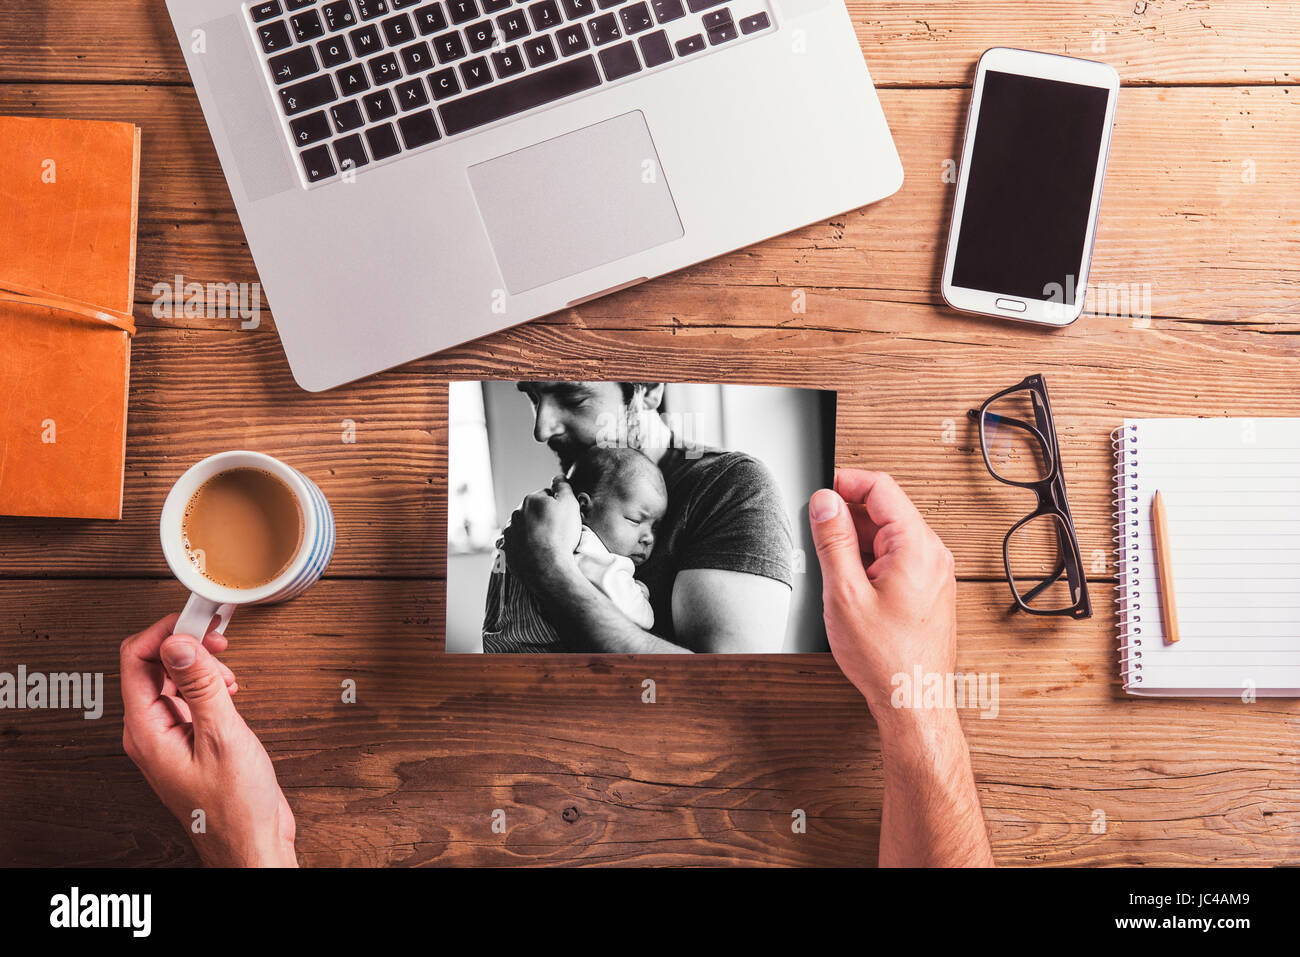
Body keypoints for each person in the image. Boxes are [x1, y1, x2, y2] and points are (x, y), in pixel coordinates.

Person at [121, 469, 991, 867]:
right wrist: (918, 703)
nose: (544, 434)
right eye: (630, 514)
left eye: (568, 399)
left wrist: (249, 847)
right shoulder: (570, 535)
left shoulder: (709, 502)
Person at [503, 381, 794, 653]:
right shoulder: (568, 496)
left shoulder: (730, 487)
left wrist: (551, 569)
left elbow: (732, 688)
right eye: (533, 397)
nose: (541, 430)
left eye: (573, 398)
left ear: (650, 388)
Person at [482, 446, 667, 652]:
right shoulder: (589, 547)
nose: (649, 537)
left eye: (655, 527)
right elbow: (637, 618)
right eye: (635, 520)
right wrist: (640, 597)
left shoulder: (527, 529)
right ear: (584, 507)